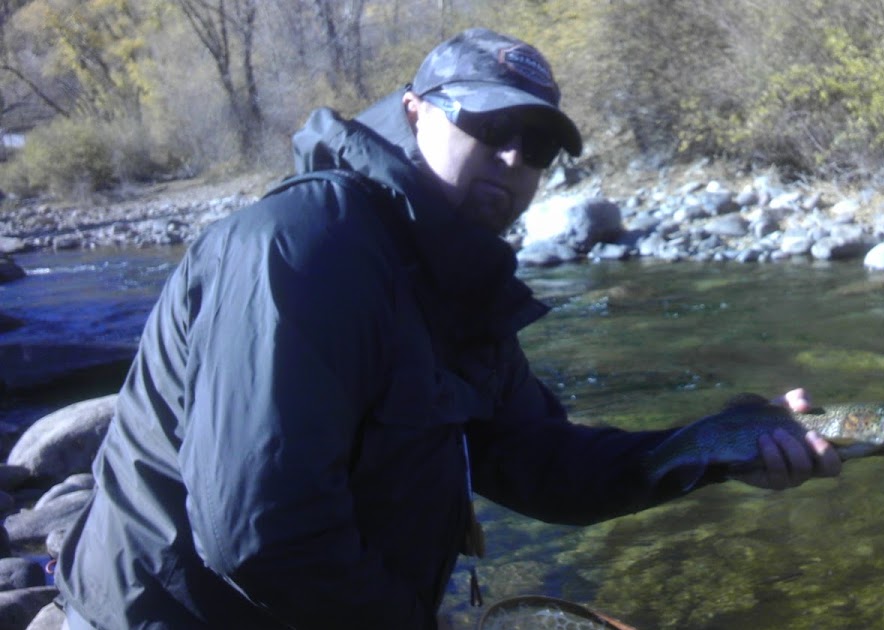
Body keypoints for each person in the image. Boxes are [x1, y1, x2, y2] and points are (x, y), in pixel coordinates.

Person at [54, 27, 841, 629]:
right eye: (490, 125)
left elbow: (542, 463)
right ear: (414, 112)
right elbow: (260, 531)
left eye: (538, 146)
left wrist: (717, 447)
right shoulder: (307, 247)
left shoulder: (455, 279)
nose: (514, 158)